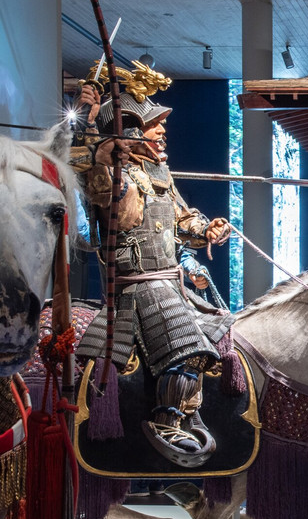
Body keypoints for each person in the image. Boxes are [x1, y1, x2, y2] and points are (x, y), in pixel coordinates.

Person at [70, 74, 233, 468]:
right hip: (139, 285)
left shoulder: (161, 173)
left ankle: (192, 408)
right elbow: (118, 211)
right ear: (128, 132)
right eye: (153, 125)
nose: (162, 132)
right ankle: (167, 423)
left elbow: (182, 218)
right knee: (187, 347)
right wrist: (99, 141)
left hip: (171, 281)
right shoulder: (109, 174)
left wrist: (205, 228)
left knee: (222, 325)